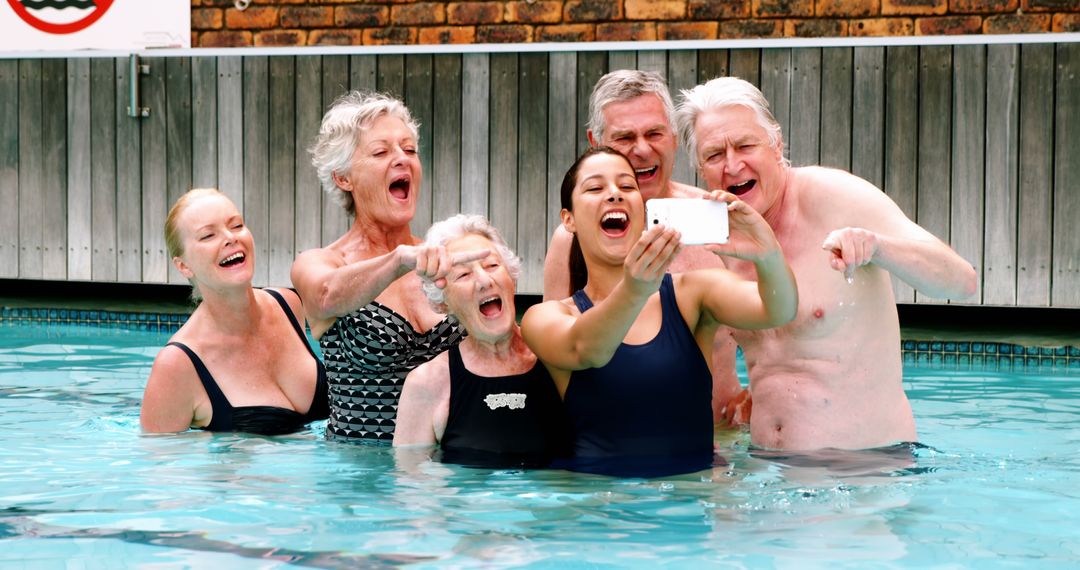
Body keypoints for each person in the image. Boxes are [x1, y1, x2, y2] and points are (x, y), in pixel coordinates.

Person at [675, 77, 979, 451]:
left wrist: (877, 248)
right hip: (768, 472)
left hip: (865, 469)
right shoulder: (717, 236)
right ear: (699, 168)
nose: (732, 165)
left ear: (776, 144)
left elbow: (961, 282)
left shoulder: (834, 197)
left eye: (745, 145)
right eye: (714, 155)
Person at [521, 147, 798, 477]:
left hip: (688, 509)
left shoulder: (692, 295)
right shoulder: (545, 318)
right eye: (596, 188)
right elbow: (588, 349)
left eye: (627, 187)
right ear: (569, 220)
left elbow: (778, 310)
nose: (614, 195)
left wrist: (767, 255)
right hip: (598, 518)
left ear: (643, 209)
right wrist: (635, 288)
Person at [540, 69, 747, 425]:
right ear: (596, 142)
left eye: (654, 133)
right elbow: (550, 363)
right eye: (624, 137)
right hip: (614, 452)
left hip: (717, 450)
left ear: (674, 137)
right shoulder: (573, 240)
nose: (641, 149)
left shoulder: (717, 221)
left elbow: (769, 332)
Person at [291, 91, 487, 443]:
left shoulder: (443, 257)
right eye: (381, 152)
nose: (402, 160)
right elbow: (324, 296)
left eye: (409, 150)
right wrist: (399, 259)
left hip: (447, 470)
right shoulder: (321, 263)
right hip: (362, 476)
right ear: (343, 178)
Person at [140, 188, 329, 435]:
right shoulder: (177, 365)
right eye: (208, 235)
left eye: (237, 225)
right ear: (184, 266)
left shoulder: (288, 305)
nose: (230, 238)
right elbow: (159, 466)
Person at [393, 214, 569, 468]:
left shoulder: (557, 358)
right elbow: (414, 491)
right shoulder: (428, 383)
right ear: (442, 302)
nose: (485, 281)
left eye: (492, 266)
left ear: (512, 278)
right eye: (463, 275)